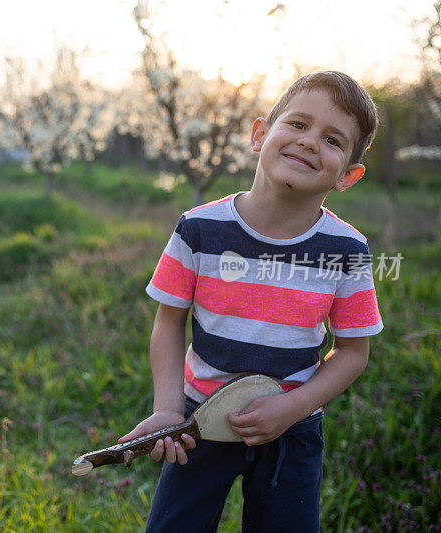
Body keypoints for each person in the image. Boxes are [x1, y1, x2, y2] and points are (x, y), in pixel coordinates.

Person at [118, 71, 383, 532]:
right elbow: (167, 323)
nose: (308, 142)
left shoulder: (347, 250)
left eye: (332, 139)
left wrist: (295, 406)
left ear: (348, 176)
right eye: (297, 124)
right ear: (260, 134)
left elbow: (353, 352)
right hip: (198, 423)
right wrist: (167, 409)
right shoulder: (199, 230)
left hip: (292, 431)